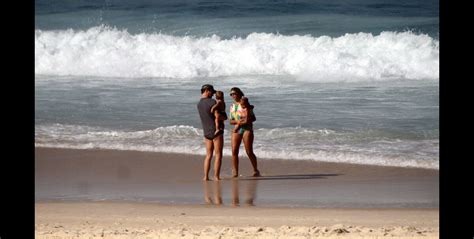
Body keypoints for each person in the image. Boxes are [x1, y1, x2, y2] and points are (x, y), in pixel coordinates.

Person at [197, 84, 227, 181]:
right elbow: (219, 116)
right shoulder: (212, 102)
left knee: (208, 155)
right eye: (211, 92)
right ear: (207, 91)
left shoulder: (199, 104)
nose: (213, 95)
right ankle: (216, 176)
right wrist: (225, 117)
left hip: (206, 132)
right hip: (216, 131)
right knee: (218, 155)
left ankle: (205, 176)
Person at [229, 87, 261, 178]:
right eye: (231, 94)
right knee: (234, 151)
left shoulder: (245, 104)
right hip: (237, 129)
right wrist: (239, 122)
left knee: (249, 151)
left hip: (247, 129)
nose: (233, 96)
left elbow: (254, 118)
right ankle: (235, 172)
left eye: (234, 93)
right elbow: (231, 121)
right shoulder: (232, 106)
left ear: (239, 94)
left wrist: (246, 120)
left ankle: (255, 169)